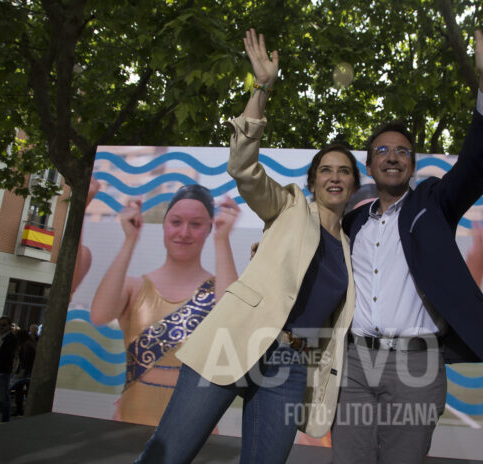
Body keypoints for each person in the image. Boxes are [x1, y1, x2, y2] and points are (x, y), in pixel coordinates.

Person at [136, 28, 359, 464]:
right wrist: (261, 89)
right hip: (234, 338)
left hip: (291, 367)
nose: (335, 176)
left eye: (345, 171)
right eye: (326, 169)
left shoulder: (351, 249)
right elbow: (242, 165)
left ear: (354, 183)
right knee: (167, 455)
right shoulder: (291, 205)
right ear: (312, 180)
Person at [334, 4, 483, 462]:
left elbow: (475, 166)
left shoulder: (433, 204)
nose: (392, 156)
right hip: (353, 366)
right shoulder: (352, 223)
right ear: (368, 166)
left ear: (412, 163)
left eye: (402, 151)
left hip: (416, 366)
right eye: (382, 150)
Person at [90, 185, 240, 426]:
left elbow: (233, 322)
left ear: (208, 228)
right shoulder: (135, 287)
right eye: (176, 222)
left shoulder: (220, 291)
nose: (184, 232)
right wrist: (130, 240)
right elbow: (99, 315)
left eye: (196, 224)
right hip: (130, 421)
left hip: (195, 429)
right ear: (164, 225)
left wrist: (222, 240)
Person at [12, 329, 36, 416]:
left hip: (26, 370)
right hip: (29, 370)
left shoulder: (26, 345)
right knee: (26, 390)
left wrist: (23, 370)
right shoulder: (30, 343)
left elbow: (26, 359)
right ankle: (24, 408)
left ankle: (20, 409)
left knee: (19, 389)